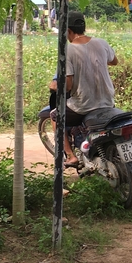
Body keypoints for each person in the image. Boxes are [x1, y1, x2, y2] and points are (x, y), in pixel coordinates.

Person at [49, 11, 118, 168]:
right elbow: (114, 61)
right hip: (107, 102)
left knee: (55, 117)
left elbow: (67, 86)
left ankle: (71, 156)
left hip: (84, 106)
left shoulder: (68, 50)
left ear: (69, 31)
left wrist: (54, 85)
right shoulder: (102, 43)